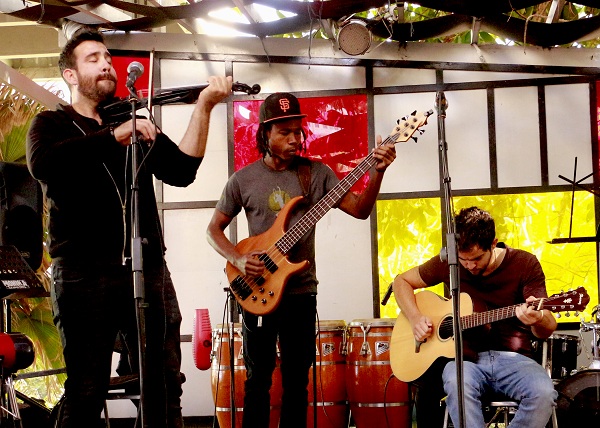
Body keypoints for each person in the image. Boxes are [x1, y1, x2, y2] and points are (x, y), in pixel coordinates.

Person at [26, 27, 232, 428]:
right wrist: (113, 137)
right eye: (93, 59)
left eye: (107, 57)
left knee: (164, 383)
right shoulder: (51, 123)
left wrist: (204, 107)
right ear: (70, 75)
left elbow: (182, 171)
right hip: (82, 272)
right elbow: (44, 164)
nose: (106, 64)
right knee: (87, 388)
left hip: (147, 267)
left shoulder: (130, 118)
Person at [206, 92, 397, 428]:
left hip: (301, 293)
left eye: (298, 131)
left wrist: (377, 173)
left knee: (297, 381)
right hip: (257, 291)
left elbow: (360, 210)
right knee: (257, 379)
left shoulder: (317, 174)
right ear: (265, 134)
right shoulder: (243, 180)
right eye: (285, 132)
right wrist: (238, 258)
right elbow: (213, 231)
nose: (295, 139)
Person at [392, 206, 558, 428]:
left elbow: (547, 326)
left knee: (544, 393)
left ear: (493, 244)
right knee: (456, 383)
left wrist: (538, 319)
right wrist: (415, 318)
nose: (470, 265)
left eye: (477, 258)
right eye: (463, 259)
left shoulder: (524, 263)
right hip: (464, 361)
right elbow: (400, 282)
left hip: (515, 360)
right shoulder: (450, 263)